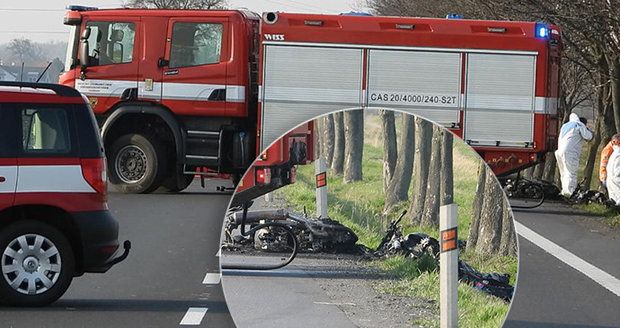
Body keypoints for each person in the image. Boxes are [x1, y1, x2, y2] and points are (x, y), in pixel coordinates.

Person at [555, 113, 593, 197]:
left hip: (559, 152)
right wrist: (589, 130)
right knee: (571, 173)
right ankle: (570, 193)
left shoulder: (565, 126)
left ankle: (564, 192)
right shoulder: (579, 124)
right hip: (569, 152)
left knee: (564, 173)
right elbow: (588, 136)